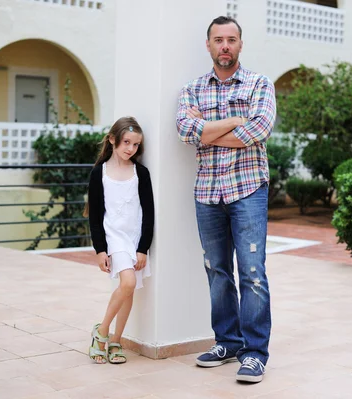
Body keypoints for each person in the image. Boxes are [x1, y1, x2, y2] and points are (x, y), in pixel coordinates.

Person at [175, 16, 276, 383]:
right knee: (217, 271)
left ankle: (254, 353)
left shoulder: (259, 84)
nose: (225, 46)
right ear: (208, 45)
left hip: (248, 188)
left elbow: (260, 128)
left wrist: (209, 129)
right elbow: (186, 130)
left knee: (252, 273)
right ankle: (228, 342)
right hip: (207, 192)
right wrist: (236, 120)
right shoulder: (192, 89)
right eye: (218, 40)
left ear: (240, 44)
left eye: (231, 40)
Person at [85, 116, 154, 364]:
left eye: (135, 145)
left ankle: (116, 341)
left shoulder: (140, 173)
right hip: (113, 237)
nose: (130, 149)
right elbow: (95, 215)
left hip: (134, 238)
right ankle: (102, 333)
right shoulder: (99, 173)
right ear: (113, 140)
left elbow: (149, 213)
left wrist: (143, 247)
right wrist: (100, 250)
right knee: (127, 283)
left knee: (130, 289)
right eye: (126, 142)